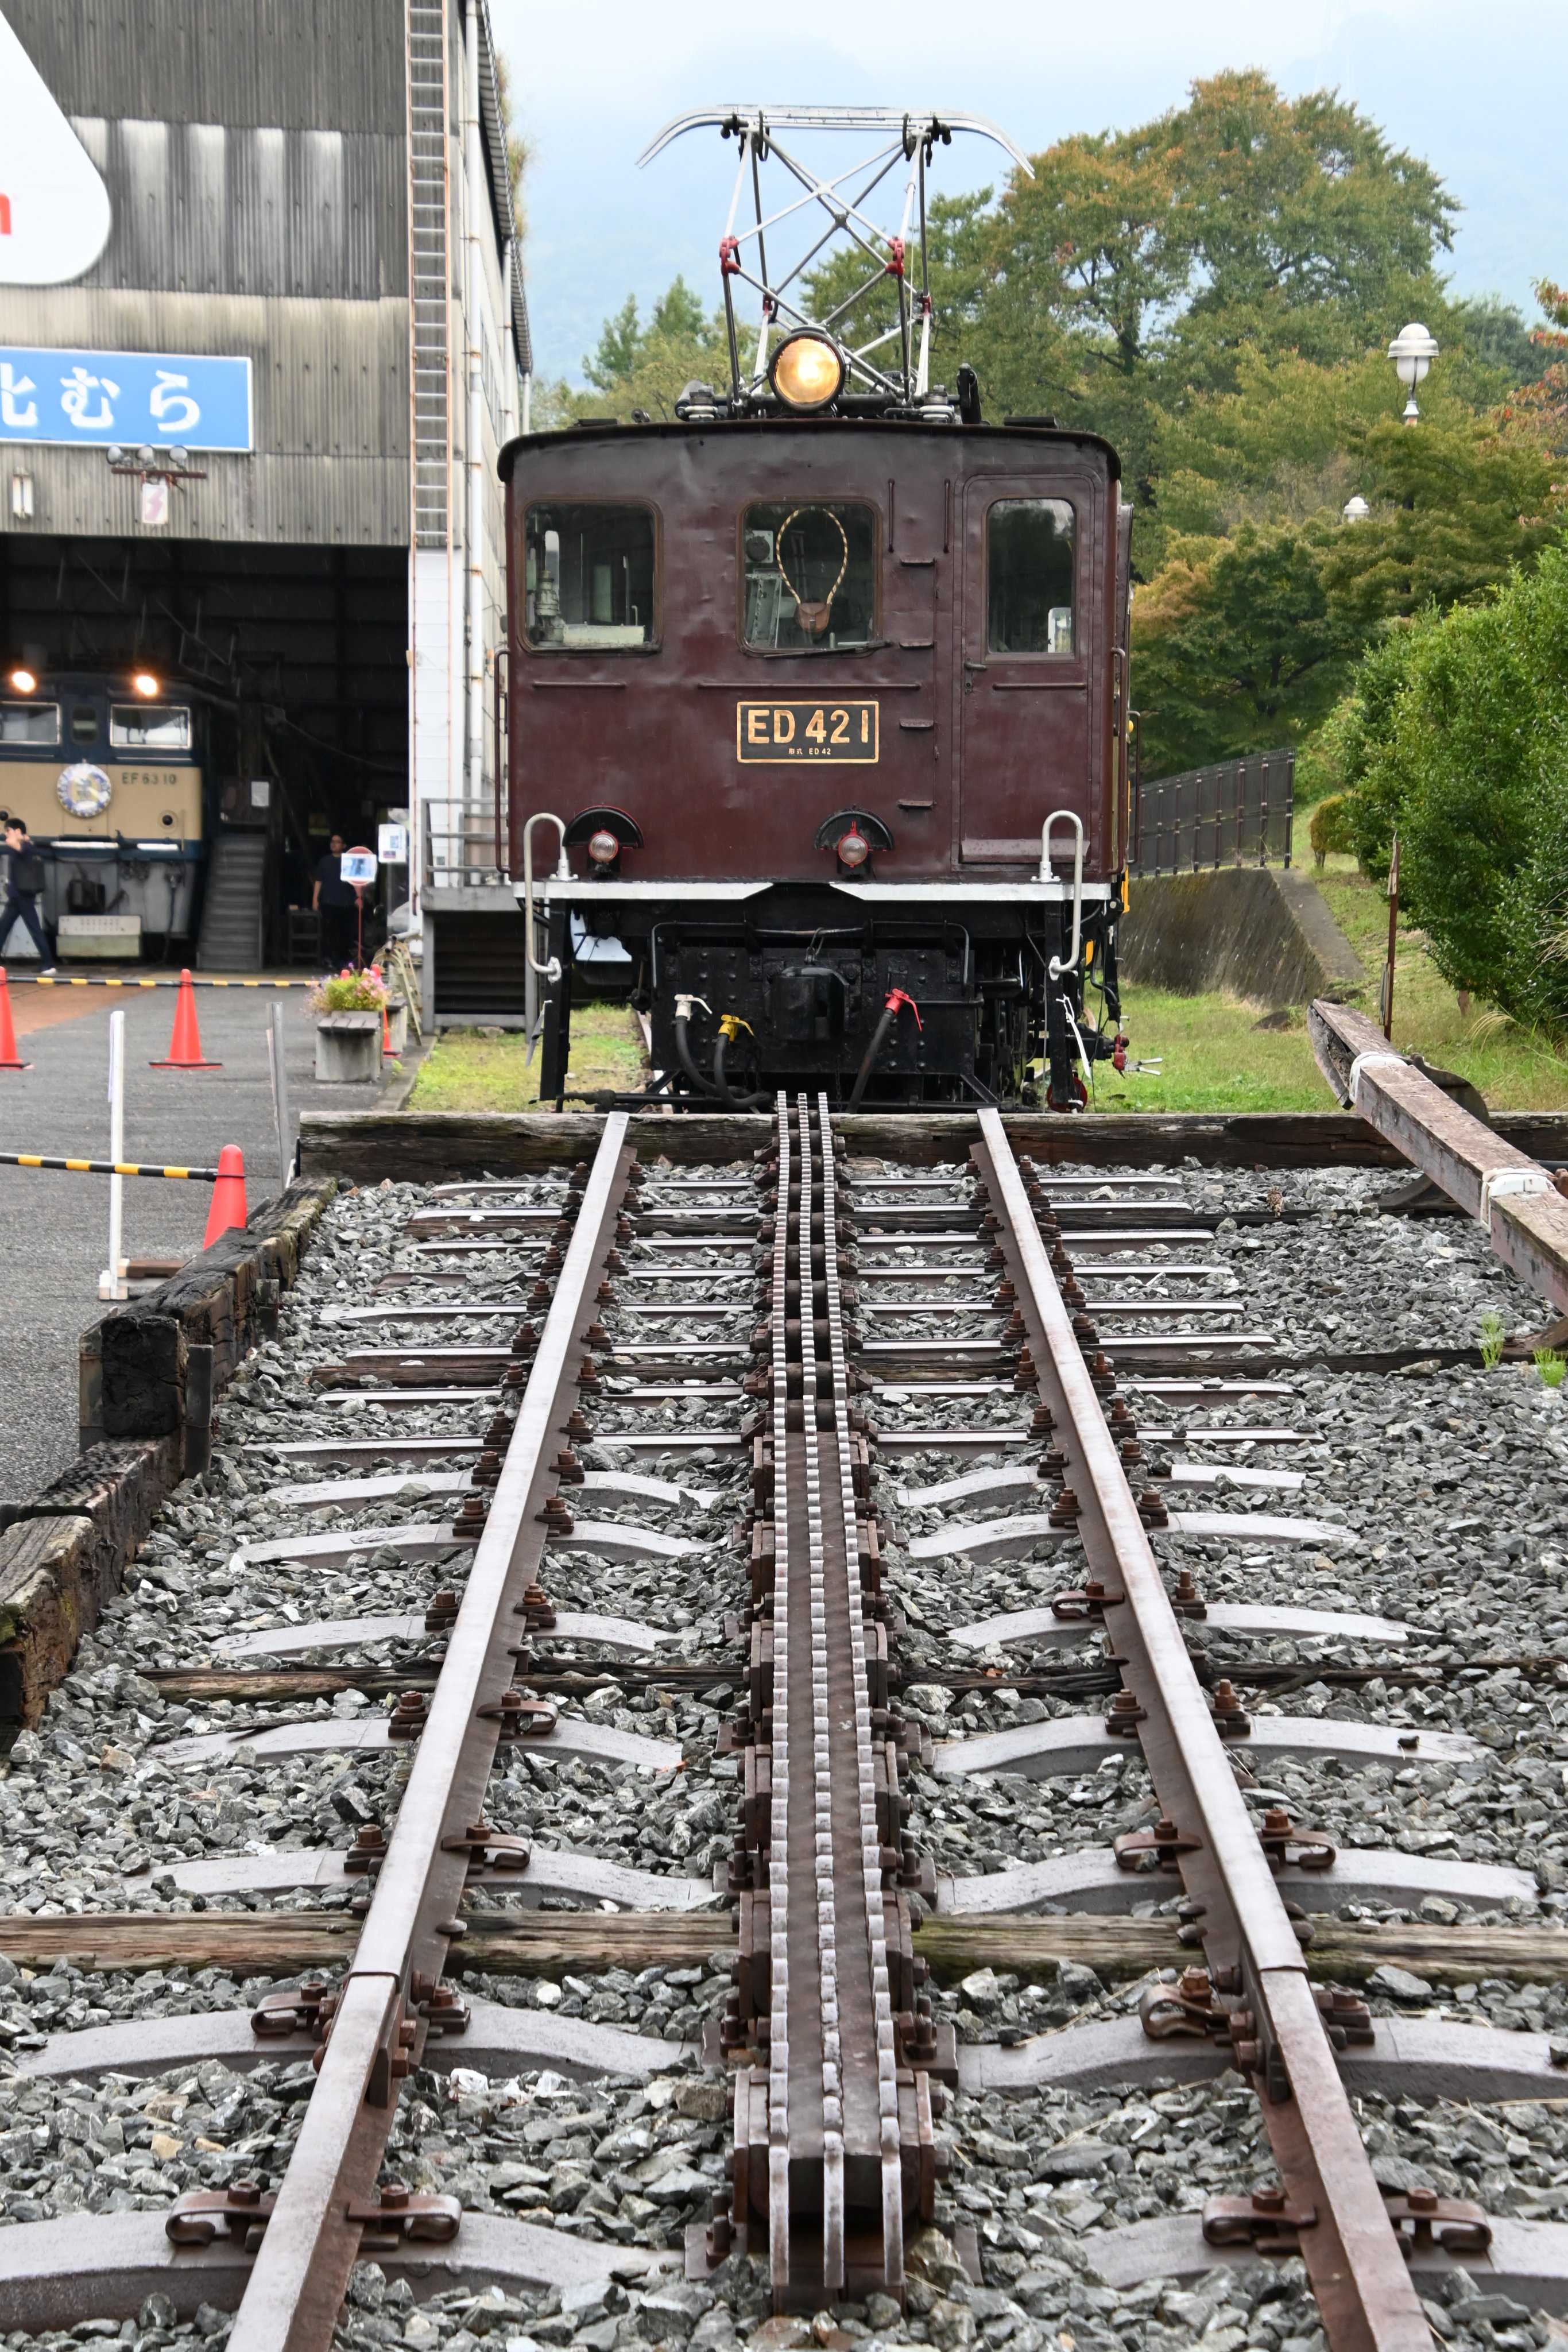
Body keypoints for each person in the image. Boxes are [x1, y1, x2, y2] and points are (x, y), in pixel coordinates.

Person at [0, 815, 52, 965]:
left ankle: (48, 964)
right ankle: (48, 963)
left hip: (22, 896)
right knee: (3, 928)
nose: (6, 834)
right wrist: (23, 837)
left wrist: (22, 838)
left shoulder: (26, 848)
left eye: (9, 831)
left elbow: (11, 842)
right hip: (17, 897)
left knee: (34, 929)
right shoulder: (23, 845)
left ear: (18, 831)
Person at [312, 831, 358, 969]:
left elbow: (356, 880)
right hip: (328, 902)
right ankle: (328, 960)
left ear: (344, 845)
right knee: (328, 933)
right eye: (332, 841)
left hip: (346, 903)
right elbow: (319, 881)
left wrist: (359, 897)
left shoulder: (348, 860)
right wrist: (315, 899)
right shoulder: (324, 861)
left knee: (345, 934)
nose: (334, 844)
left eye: (338, 842)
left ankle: (343, 960)